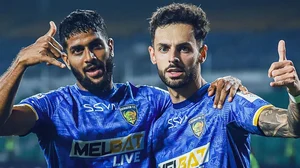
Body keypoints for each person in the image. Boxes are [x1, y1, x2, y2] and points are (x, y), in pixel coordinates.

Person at [0, 10, 246, 167]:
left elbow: (195, 102)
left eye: (95, 46)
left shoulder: (151, 101)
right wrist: (20, 63)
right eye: (77, 51)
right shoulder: (52, 107)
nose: (89, 58)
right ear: (66, 59)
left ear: (110, 47)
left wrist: (227, 82)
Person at [148, 3, 300, 168]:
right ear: (153, 55)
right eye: (164, 49)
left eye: (184, 48)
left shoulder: (227, 100)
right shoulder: (154, 125)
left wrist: (296, 92)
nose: (173, 58)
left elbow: (293, 128)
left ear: (202, 54)